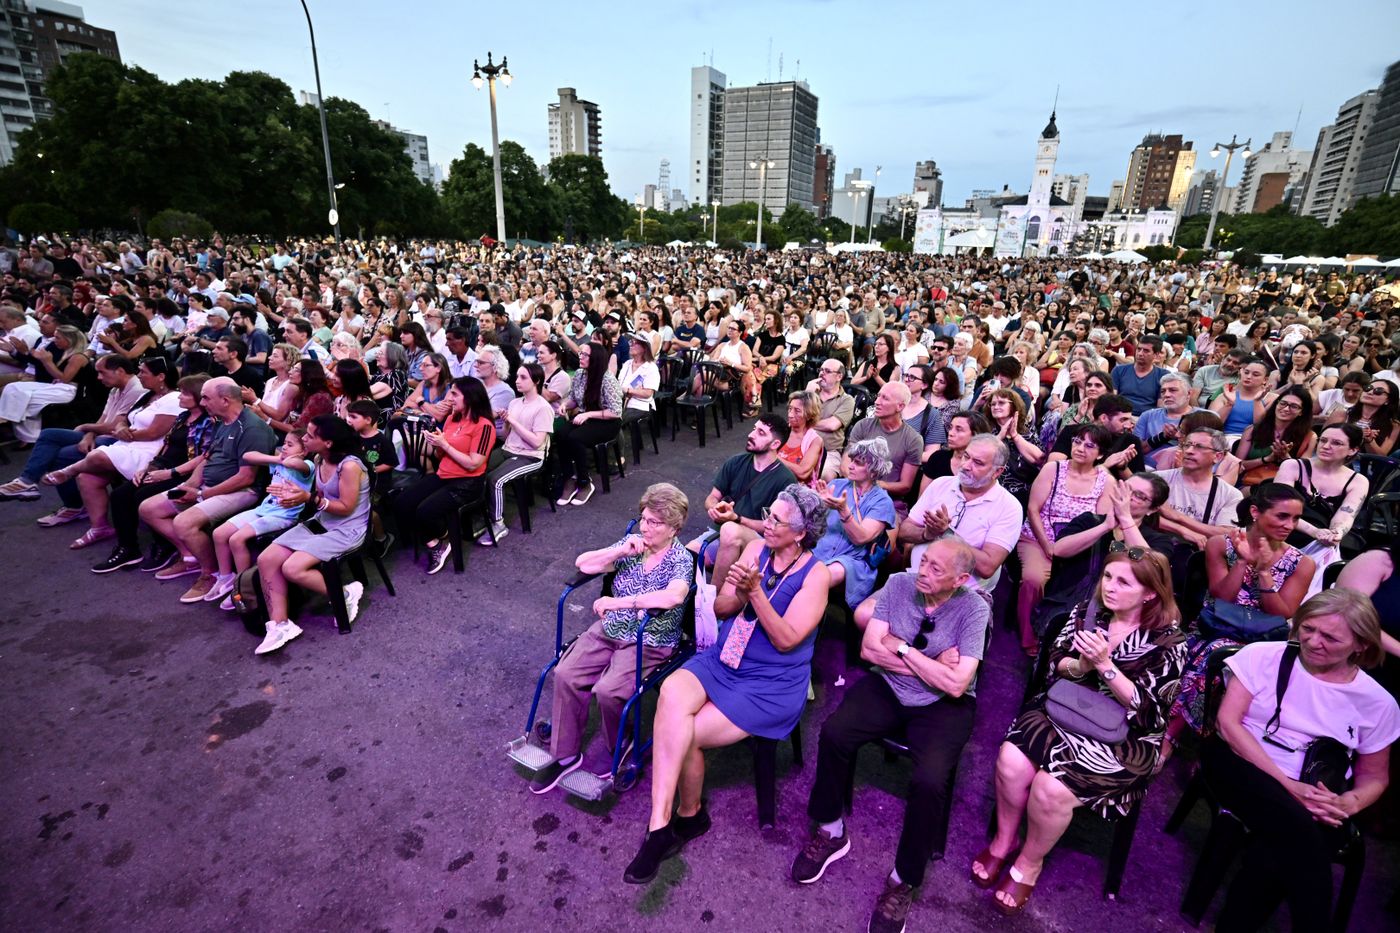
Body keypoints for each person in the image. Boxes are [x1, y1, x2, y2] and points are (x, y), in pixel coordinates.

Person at [623, 485, 830, 884]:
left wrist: (756, 593)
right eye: (768, 514)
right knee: (671, 693)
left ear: (801, 533)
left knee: (683, 733)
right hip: (727, 656)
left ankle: (689, 816)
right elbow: (723, 607)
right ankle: (659, 825)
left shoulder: (816, 575)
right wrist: (729, 594)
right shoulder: (757, 550)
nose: (765, 523)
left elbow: (787, 639)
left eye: (776, 520)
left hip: (771, 681)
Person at [792, 537, 988, 933]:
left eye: (935, 569)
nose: (923, 572)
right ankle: (830, 829)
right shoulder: (900, 583)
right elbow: (868, 650)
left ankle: (904, 879)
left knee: (930, 780)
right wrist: (933, 663)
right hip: (890, 687)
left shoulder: (975, 608)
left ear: (960, 580)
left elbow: (957, 686)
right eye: (924, 561)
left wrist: (902, 648)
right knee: (834, 733)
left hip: (944, 706)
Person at [976, 552, 1186, 915]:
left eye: (1123, 582)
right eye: (1108, 576)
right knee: (1011, 760)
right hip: (1069, 707)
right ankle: (1005, 840)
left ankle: (1029, 862)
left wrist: (1105, 666)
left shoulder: (1169, 642)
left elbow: (1151, 714)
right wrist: (1081, 665)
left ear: (1151, 593)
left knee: (1051, 788)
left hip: (1127, 736)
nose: (1110, 587)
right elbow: (1054, 665)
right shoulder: (1090, 612)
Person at [1204, 590, 1399, 932]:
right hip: (1240, 764)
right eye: (1308, 628)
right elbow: (1228, 725)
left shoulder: (1378, 703)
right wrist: (1290, 788)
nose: (1312, 641)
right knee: (1303, 833)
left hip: (1317, 790)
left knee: (1275, 853)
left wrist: (1348, 803)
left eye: (1330, 638)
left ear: (1361, 645)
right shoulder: (1262, 656)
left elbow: (1375, 777)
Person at [528, 484, 694, 792]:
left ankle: (621, 741)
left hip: (650, 639)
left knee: (608, 690)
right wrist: (619, 551)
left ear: (674, 528)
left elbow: (674, 597)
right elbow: (583, 564)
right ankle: (565, 755)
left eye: (655, 522)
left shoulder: (680, 559)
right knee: (566, 672)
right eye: (644, 518)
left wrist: (618, 603)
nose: (645, 527)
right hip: (612, 628)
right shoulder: (633, 545)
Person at [1170, 484, 1317, 741]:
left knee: (1223, 654)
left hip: (1263, 637)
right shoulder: (1221, 544)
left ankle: (1177, 732)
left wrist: (1264, 572)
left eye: (1295, 519)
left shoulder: (1303, 563)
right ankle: (1178, 730)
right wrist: (1242, 561)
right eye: (1282, 516)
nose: (1290, 525)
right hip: (1215, 626)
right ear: (1255, 512)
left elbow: (1281, 613)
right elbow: (1222, 597)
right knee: (1216, 650)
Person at [137, 376, 278, 599]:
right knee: (148, 508)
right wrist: (190, 484)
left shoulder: (252, 429)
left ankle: (210, 572)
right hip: (208, 486)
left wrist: (201, 494)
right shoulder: (222, 421)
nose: (202, 403)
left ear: (225, 400)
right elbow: (207, 458)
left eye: (206, 398)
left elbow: (246, 478)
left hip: (241, 491)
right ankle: (191, 558)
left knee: (184, 522)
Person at [254, 415, 372, 655]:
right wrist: (293, 495)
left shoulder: (349, 466)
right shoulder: (319, 459)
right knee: (266, 559)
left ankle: (344, 593)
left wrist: (309, 498)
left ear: (328, 442)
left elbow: (346, 508)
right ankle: (280, 625)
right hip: (323, 521)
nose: (304, 439)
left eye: (310, 435)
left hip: (348, 528)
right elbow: (321, 498)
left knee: (292, 568)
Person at [41, 356, 182, 550]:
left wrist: (125, 434)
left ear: (161, 376)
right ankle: (99, 528)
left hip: (151, 450)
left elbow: (154, 433)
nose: (139, 375)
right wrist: (122, 428)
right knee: (86, 477)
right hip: (129, 444)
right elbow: (124, 419)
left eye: (143, 372)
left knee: (96, 455)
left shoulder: (173, 399)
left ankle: (68, 471)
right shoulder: (147, 396)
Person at [90, 374, 216, 573]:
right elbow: (165, 445)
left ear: (198, 397)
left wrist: (169, 473)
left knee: (142, 495)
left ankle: (164, 546)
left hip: (184, 472)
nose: (179, 396)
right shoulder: (183, 417)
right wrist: (149, 467)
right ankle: (128, 549)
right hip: (162, 467)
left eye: (184, 393)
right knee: (120, 494)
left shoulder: (209, 421)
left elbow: (205, 456)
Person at [0, 353, 141, 518]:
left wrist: (84, 427)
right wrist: (89, 434)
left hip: (120, 441)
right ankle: (28, 481)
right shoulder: (116, 389)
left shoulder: (136, 390)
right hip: (104, 435)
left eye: (102, 372)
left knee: (61, 455)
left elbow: (112, 427)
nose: (99, 377)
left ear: (120, 371)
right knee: (49, 434)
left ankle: (74, 506)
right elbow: (102, 421)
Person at [1017, 425, 1115, 655]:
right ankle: (1030, 639)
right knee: (1034, 579)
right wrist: (1047, 546)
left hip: (1078, 547)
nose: (1080, 448)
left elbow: (1098, 524)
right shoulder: (1053, 469)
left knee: (1086, 586)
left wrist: (1067, 549)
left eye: (1089, 445)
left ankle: (1062, 637)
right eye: (1077, 441)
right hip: (1039, 538)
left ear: (1100, 454)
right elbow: (1033, 510)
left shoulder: (1106, 481)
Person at [391, 376, 496, 574]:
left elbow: (474, 463)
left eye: (454, 394)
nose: (450, 398)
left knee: (424, 511)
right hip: (444, 474)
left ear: (470, 397)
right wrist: (435, 443)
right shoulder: (451, 419)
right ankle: (436, 541)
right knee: (402, 503)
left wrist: (444, 445)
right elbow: (441, 456)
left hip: (467, 483)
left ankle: (438, 540)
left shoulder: (484, 426)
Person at [898, 433, 1023, 594]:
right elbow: (904, 532)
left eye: (978, 462)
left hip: (962, 594)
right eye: (966, 456)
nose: (966, 465)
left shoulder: (1009, 507)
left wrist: (946, 533)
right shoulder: (940, 485)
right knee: (868, 608)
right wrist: (928, 533)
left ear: (997, 472)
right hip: (916, 579)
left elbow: (987, 567)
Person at [204, 429, 315, 608]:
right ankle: (226, 578)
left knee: (236, 539)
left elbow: (295, 464)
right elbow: (248, 455)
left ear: (304, 451)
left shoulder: (307, 465)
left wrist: (285, 458)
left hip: (283, 515)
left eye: (290, 444)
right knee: (219, 533)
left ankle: (242, 587)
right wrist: (277, 459)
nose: (284, 447)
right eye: (284, 443)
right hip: (263, 510)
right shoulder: (280, 461)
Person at [691, 413, 797, 589]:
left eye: (761, 433)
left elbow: (778, 528)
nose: (751, 434)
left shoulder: (786, 480)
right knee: (685, 556)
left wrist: (737, 519)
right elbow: (712, 497)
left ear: (775, 444)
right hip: (720, 533)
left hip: (759, 542)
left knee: (731, 531)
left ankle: (715, 601)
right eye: (754, 429)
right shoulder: (736, 462)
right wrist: (715, 508)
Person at [1274, 423, 1368, 592]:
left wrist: (1336, 533)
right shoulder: (1292, 466)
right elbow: (1280, 510)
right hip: (1282, 530)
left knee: (1328, 548)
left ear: (1352, 450)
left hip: (1320, 538)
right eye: (1323, 440)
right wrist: (1314, 532)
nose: (1326, 446)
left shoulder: (1358, 481)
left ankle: (1307, 600)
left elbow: (1345, 516)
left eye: (1336, 443)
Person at [813, 438, 898, 610]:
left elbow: (861, 538)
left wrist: (843, 510)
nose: (850, 466)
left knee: (818, 578)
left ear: (873, 470)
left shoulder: (882, 502)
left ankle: (803, 620)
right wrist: (817, 506)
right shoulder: (836, 485)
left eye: (858, 463)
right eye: (852, 460)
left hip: (852, 560)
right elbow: (813, 523)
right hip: (820, 548)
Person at [480, 363, 553, 545]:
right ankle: (484, 515)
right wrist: (506, 422)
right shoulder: (514, 403)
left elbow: (537, 442)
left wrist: (512, 421)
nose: (517, 381)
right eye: (517, 376)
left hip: (531, 456)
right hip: (509, 449)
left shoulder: (543, 407)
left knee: (495, 480)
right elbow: (507, 436)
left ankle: (498, 525)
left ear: (536, 381)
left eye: (523, 377)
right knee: (478, 470)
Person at [554, 341, 622, 508]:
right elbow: (574, 399)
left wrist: (588, 414)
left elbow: (615, 412)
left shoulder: (607, 379)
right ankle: (569, 477)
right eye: (581, 353)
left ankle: (584, 481)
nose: (580, 357)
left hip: (608, 421)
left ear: (595, 358)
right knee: (561, 433)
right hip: (587, 417)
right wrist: (565, 405)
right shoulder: (580, 374)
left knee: (575, 438)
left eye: (585, 355)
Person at [1155, 428, 1245, 548]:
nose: (1189, 451)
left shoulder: (1230, 494)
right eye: (1187, 445)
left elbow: (1227, 533)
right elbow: (1139, 515)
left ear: (1218, 456)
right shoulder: (1158, 480)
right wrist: (1181, 530)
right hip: (1155, 546)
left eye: (1199, 447)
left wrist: (1177, 516)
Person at [842, 382, 923, 503]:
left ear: (900, 406)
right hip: (853, 492)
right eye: (878, 396)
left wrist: (871, 485)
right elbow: (845, 465)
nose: (877, 402)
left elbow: (905, 486)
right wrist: (859, 486)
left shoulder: (913, 439)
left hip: (887, 500)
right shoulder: (862, 426)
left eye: (885, 398)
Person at [1234, 387, 1315, 488]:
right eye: (1283, 403)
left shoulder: (1309, 437)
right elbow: (1237, 466)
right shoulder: (1252, 430)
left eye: (1294, 406)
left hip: (1285, 487)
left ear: (1301, 412)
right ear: (1276, 403)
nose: (1286, 409)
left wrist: (1286, 458)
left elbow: (1303, 473)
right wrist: (1267, 459)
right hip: (1250, 483)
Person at [1133, 372, 1201, 469]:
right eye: (1163, 391)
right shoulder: (1147, 415)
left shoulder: (1204, 417)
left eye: (1173, 390)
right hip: (1148, 469)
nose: (1166, 395)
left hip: (1189, 469)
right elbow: (1136, 451)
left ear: (1189, 393)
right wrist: (1162, 437)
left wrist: (1182, 437)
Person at [1326, 377, 1399, 456]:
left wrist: (1369, 441)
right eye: (1368, 388)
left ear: (1388, 400)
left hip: (1365, 462)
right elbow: (1324, 442)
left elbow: (1381, 457)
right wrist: (1357, 434)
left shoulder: (1394, 425)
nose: (1370, 392)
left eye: (1378, 391)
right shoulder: (1341, 414)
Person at [808, 359, 855, 480]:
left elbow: (832, 425)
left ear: (839, 376)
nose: (821, 373)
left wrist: (806, 423)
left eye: (827, 371)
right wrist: (807, 395)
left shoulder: (846, 400)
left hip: (829, 451)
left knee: (826, 476)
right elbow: (795, 418)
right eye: (821, 370)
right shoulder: (811, 392)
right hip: (803, 445)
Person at [616, 335, 660, 442]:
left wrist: (628, 390)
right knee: (605, 416)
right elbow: (619, 384)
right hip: (622, 402)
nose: (631, 345)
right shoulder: (627, 364)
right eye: (631, 342)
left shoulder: (650, 367)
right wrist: (634, 390)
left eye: (636, 343)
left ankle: (619, 451)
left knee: (615, 421)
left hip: (640, 405)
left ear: (644, 348)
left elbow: (648, 393)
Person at [776, 390, 823, 486]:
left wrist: (772, 457)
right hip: (773, 482)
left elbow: (802, 472)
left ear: (809, 415)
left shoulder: (815, 441)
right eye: (790, 409)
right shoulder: (779, 430)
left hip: (797, 488)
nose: (790, 414)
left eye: (797, 411)